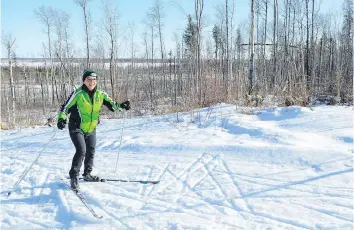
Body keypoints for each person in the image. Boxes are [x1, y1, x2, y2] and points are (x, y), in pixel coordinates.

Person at [57, 69, 130, 191]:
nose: (92, 82)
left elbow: (113, 106)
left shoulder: (101, 95)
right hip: (76, 127)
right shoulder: (78, 94)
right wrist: (61, 119)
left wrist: (122, 106)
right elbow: (65, 108)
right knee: (81, 150)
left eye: (94, 80)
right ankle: (74, 176)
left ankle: (87, 174)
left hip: (91, 128)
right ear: (84, 81)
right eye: (89, 80)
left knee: (90, 151)